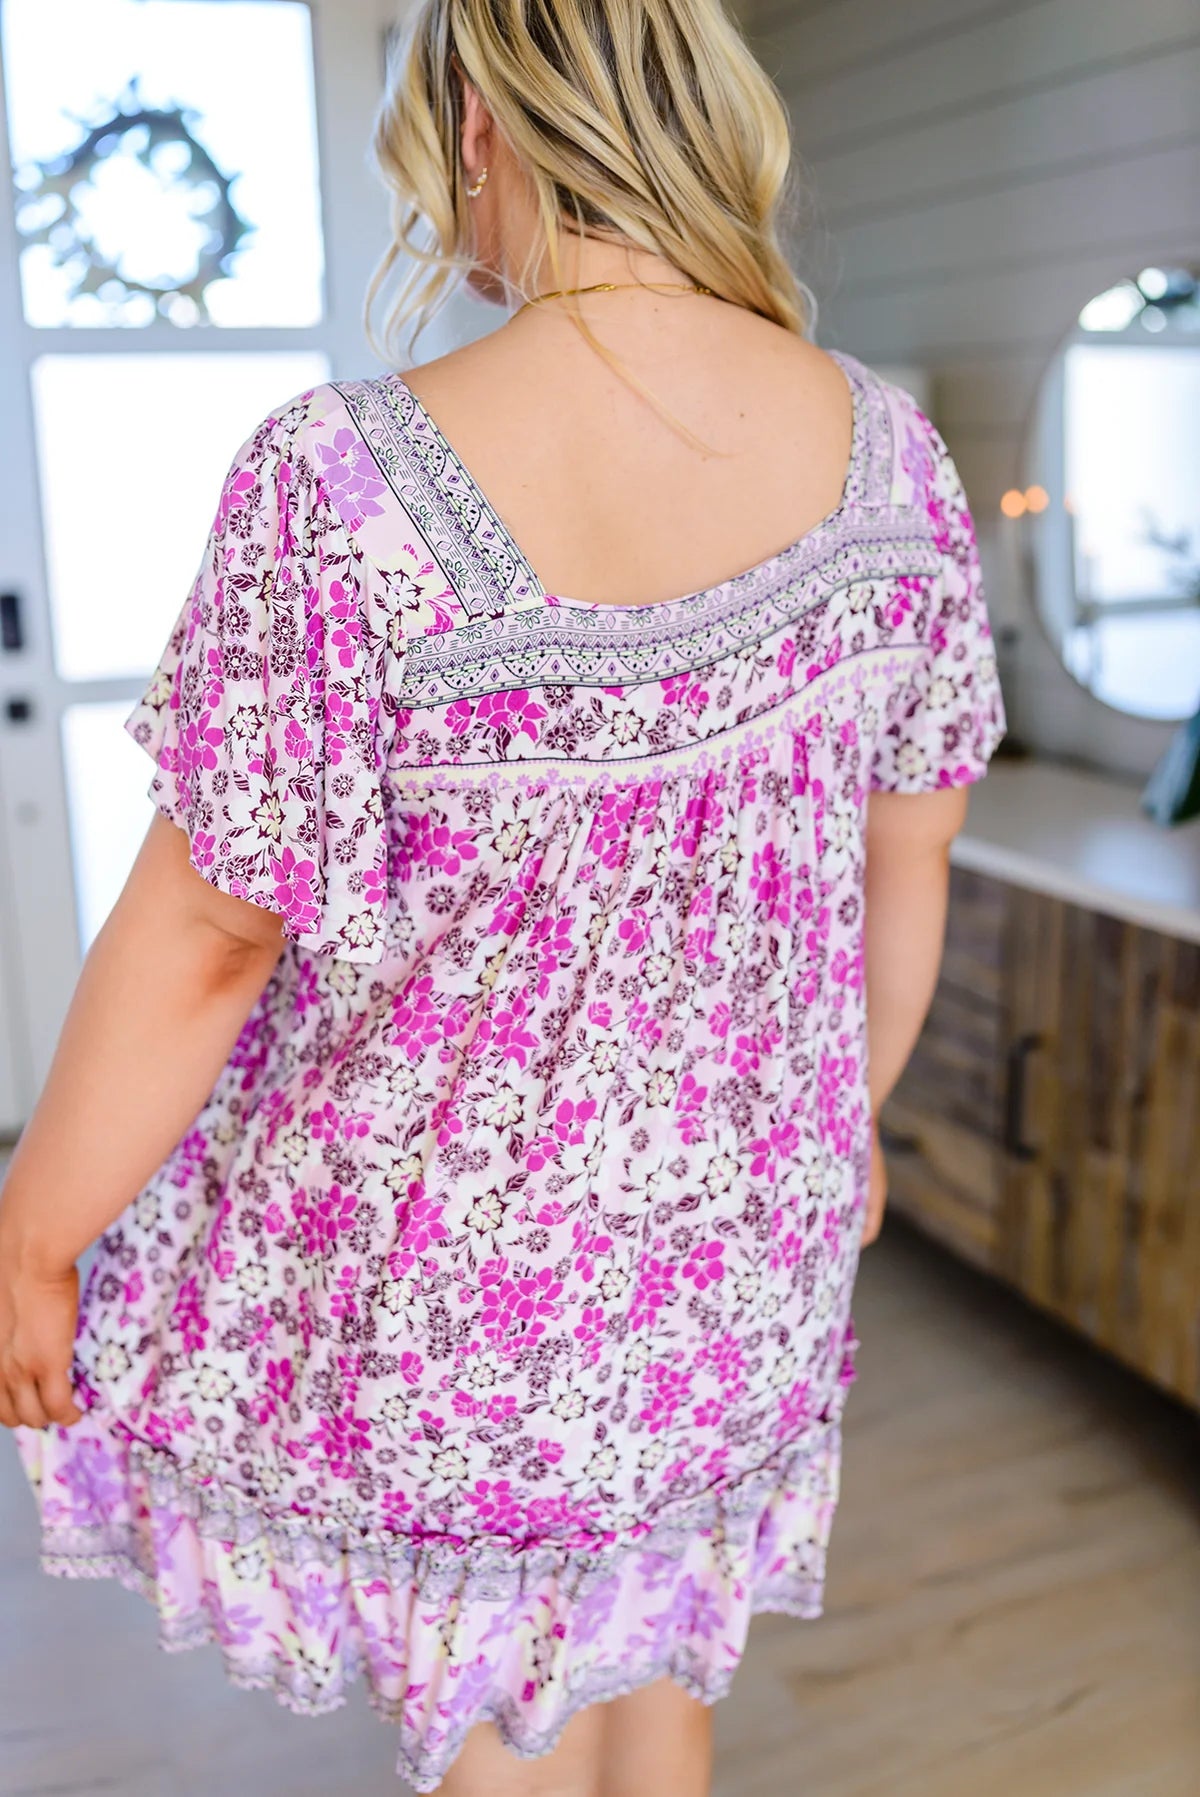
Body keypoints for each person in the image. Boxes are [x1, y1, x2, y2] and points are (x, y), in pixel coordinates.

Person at [0, 1, 1005, 1791]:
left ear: (484, 127)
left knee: (496, 1721)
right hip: (744, 1239)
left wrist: (35, 1232)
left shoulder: (335, 485)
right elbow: (905, 856)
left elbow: (211, 936)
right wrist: (839, 1113)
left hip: (471, 1287)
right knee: (660, 1658)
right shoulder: (897, 461)